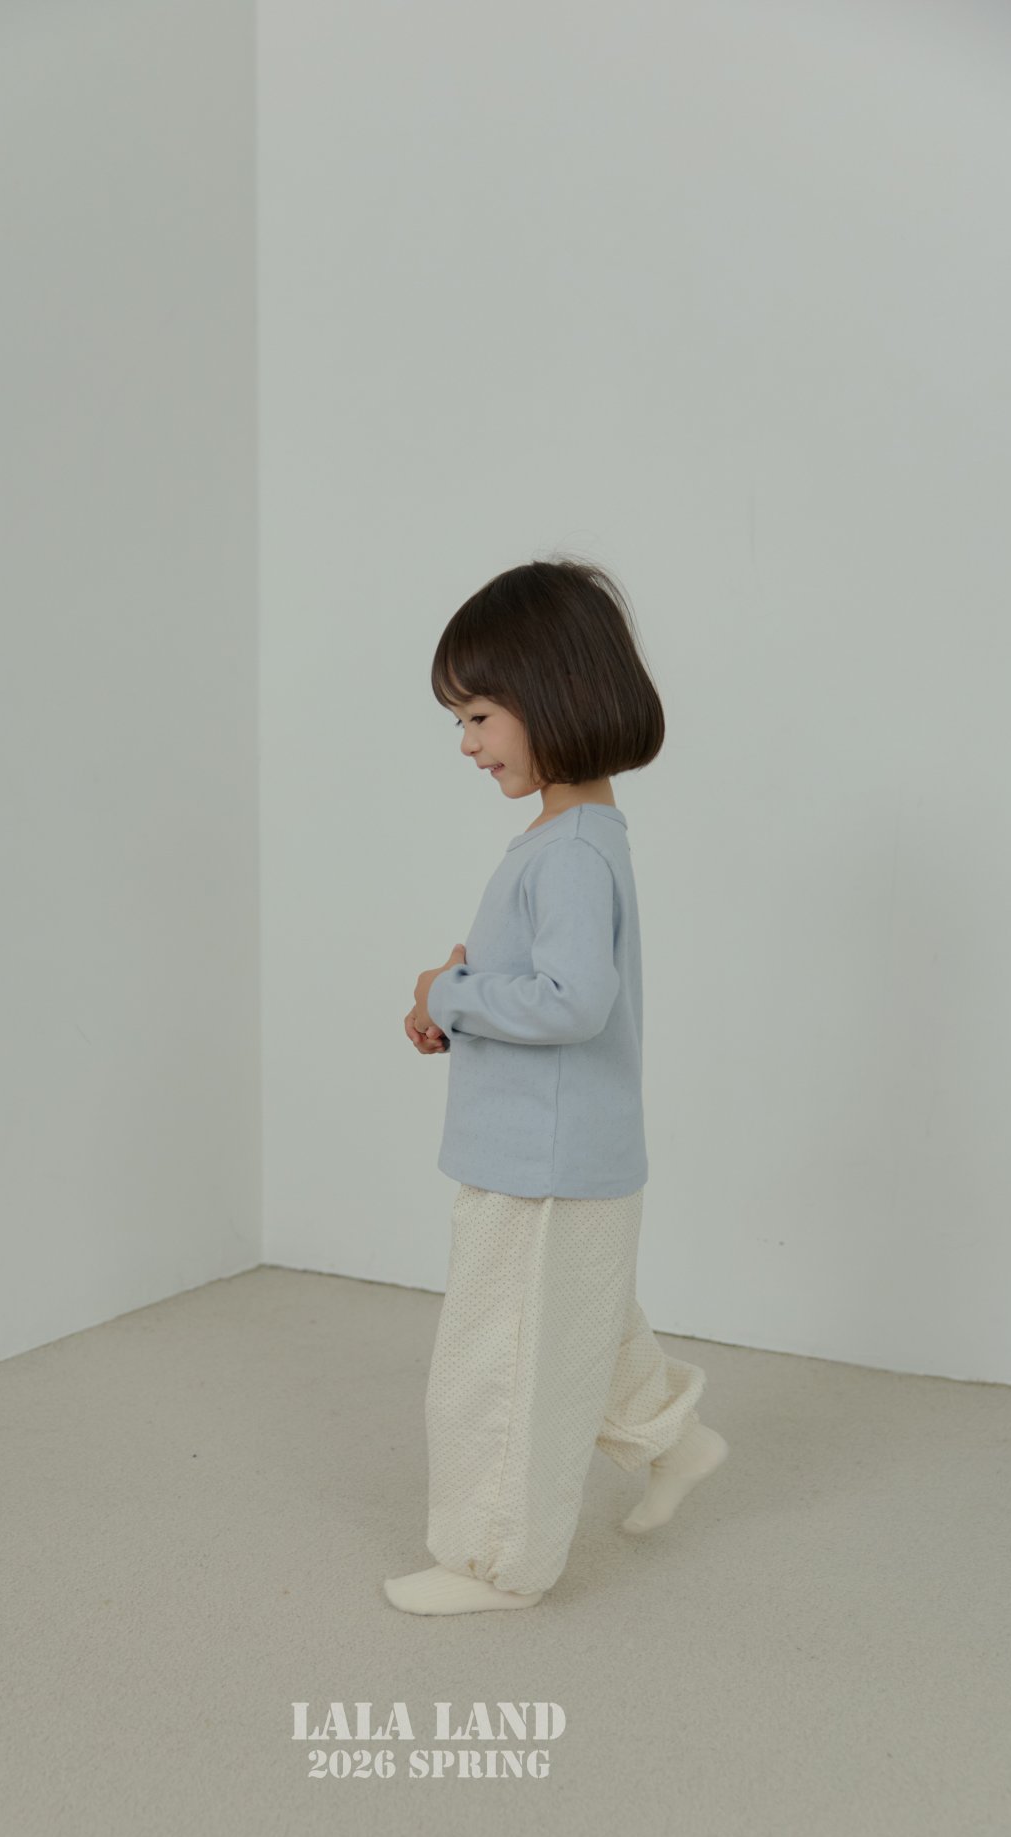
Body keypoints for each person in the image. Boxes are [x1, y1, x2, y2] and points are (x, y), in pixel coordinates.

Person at [383, 556, 729, 1617]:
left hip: (540, 1164)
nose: (466, 743)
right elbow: (548, 996)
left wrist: (451, 992)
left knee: (502, 1365)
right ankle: (674, 1440)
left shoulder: (569, 852)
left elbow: (574, 1001)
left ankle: (497, 1564)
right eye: (461, 721)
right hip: (554, 1148)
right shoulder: (572, 840)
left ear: (557, 697)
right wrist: (456, 1009)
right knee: (575, 1323)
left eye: (479, 716)